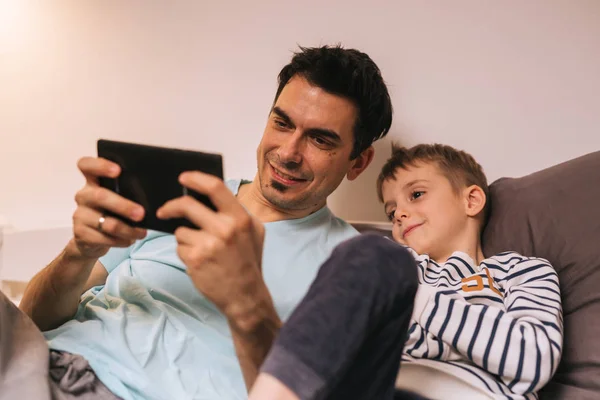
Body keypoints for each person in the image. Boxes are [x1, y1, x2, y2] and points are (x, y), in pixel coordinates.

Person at [0, 45, 393, 400]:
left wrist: (246, 299)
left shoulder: (351, 264)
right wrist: (78, 252)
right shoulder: (185, 194)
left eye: (320, 140)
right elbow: (33, 318)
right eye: (282, 123)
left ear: (358, 162)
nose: (288, 153)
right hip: (37, 361)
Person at [248, 144, 563, 400]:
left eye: (416, 195)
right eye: (390, 210)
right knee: (370, 253)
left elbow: (533, 360)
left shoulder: (522, 271)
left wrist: (419, 299)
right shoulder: (391, 269)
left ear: (471, 200)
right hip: (383, 391)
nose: (399, 213)